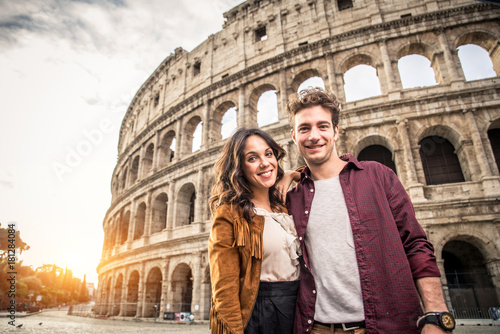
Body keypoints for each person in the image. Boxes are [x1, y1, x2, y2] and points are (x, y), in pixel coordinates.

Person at [286, 88, 455, 334]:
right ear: (293, 135)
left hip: (386, 325)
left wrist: (437, 314)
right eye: (304, 128)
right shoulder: (292, 199)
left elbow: (416, 244)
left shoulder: (378, 175)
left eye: (322, 126)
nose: (314, 136)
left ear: (335, 131)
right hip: (317, 328)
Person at [208, 128, 301, 334]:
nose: (265, 163)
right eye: (252, 158)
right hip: (261, 312)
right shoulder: (230, 215)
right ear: (239, 168)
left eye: (269, 154)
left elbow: (327, 172)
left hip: (301, 308)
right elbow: (225, 289)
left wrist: (292, 174)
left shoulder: (285, 205)